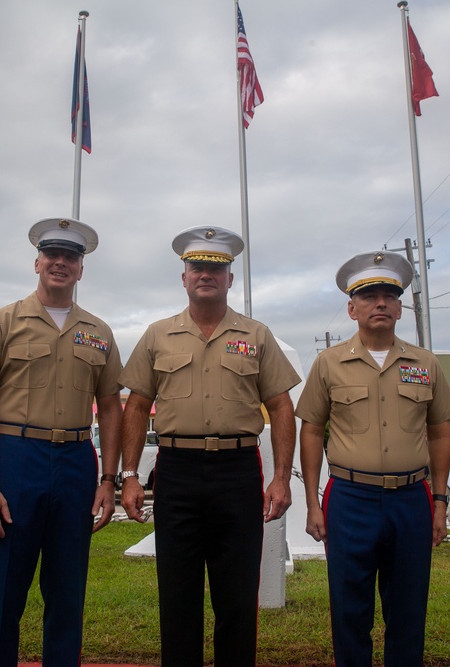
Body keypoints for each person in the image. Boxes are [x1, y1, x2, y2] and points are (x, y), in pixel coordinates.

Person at [119, 225, 299, 667]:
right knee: (176, 594)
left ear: (230, 279)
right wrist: (127, 476)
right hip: (176, 471)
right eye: (197, 266)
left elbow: (281, 407)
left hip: (238, 472)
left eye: (216, 269)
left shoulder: (256, 336)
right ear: (183, 276)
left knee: (237, 595)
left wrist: (280, 478)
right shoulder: (157, 335)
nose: (206, 275)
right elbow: (136, 406)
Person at [0, 217, 122, 667]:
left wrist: (108, 479)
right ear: (37, 262)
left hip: (76, 461)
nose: (60, 263)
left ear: (81, 269)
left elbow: (110, 407)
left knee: (67, 590)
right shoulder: (2, 322)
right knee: (5, 590)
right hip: (15, 457)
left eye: (71, 257)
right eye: (53, 255)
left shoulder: (99, 332)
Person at [296, 250, 450, 667]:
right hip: (350, 499)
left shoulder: (426, 365)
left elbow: (441, 431)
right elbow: (312, 429)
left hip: (411, 500)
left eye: (389, 294)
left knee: (408, 610)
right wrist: (314, 503)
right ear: (352, 308)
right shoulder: (329, 363)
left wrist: (439, 502)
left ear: (401, 306)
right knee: (350, 610)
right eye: (369, 296)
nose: (380, 303)